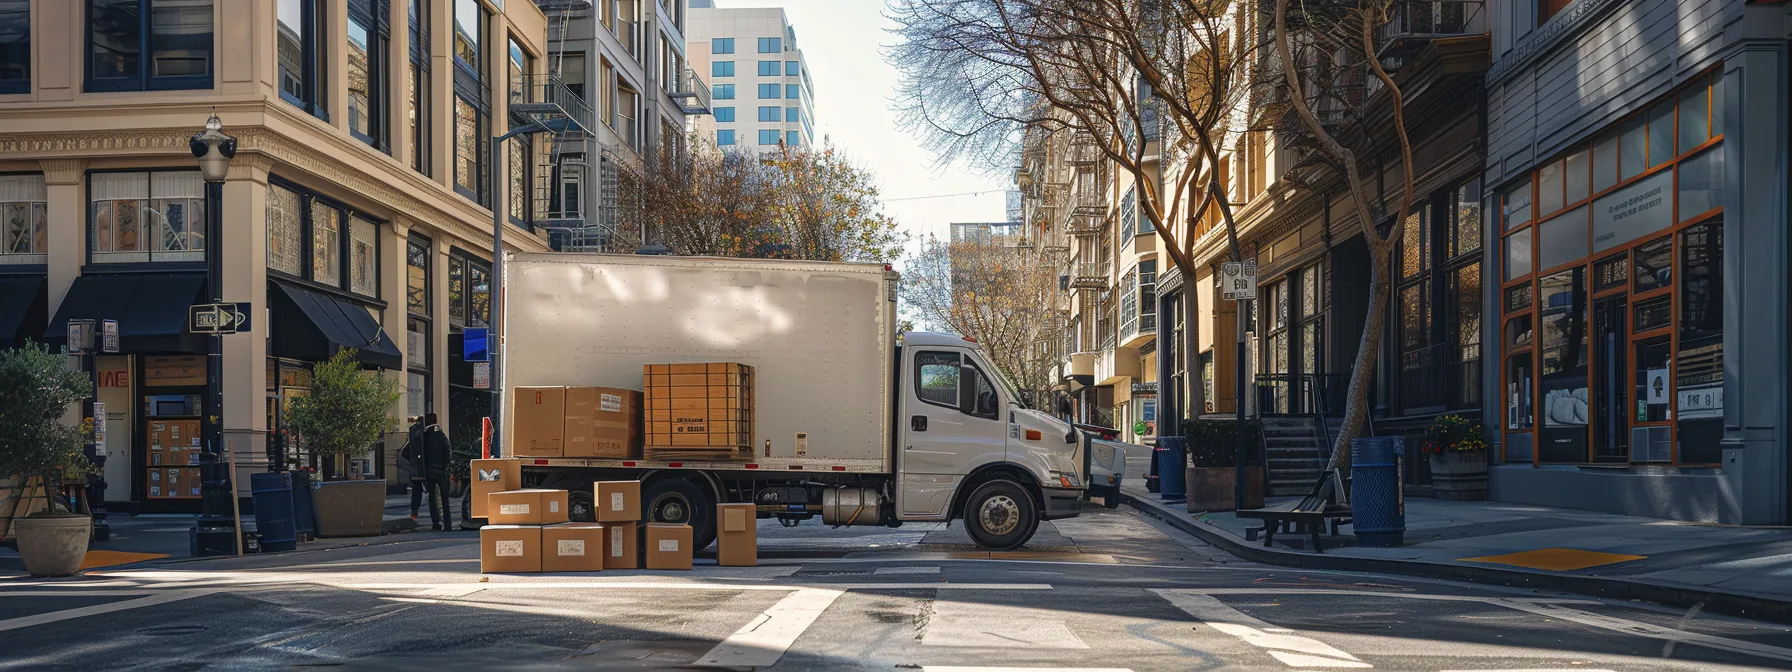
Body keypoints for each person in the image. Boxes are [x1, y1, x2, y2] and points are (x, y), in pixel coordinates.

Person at [421, 413, 454, 530]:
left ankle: (436, 523)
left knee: (432, 498)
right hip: (441, 471)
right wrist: (447, 466)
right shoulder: (441, 435)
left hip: (429, 471)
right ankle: (448, 524)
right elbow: (448, 451)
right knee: (445, 499)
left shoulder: (423, 437)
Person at [400, 416, 426, 520]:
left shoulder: (413, 432)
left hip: (416, 467)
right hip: (427, 466)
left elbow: (405, 452)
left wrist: (412, 461)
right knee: (432, 491)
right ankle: (437, 518)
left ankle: (414, 513)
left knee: (416, 490)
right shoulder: (427, 432)